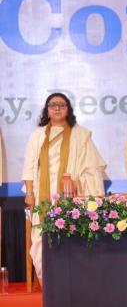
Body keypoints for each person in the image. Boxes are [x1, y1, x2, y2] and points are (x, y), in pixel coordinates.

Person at [22, 92, 106, 284]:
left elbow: (93, 168)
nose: (57, 108)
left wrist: (78, 182)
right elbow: (29, 166)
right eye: (53, 105)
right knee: (40, 241)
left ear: (68, 109)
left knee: (73, 239)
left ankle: (74, 285)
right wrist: (29, 192)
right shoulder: (37, 136)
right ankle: (50, 287)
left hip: (72, 194)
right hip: (43, 196)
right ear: (47, 110)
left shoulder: (80, 135)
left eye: (62, 105)